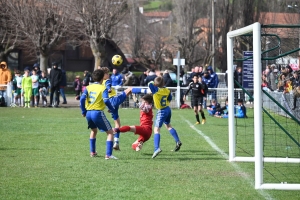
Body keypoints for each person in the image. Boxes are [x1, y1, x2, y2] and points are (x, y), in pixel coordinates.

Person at [80, 69, 118, 159]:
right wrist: (112, 109)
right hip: (97, 113)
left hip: (88, 113)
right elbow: (106, 100)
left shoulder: (88, 87)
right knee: (110, 132)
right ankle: (108, 155)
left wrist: (83, 111)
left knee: (93, 130)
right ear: (102, 79)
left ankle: (92, 152)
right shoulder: (103, 88)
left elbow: (81, 99)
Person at [148, 76, 182, 158]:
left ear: (156, 84)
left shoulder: (156, 90)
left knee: (156, 129)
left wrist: (154, 82)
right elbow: (170, 98)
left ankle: (157, 148)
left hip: (161, 110)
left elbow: (150, 84)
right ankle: (177, 141)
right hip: (167, 109)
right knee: (168, 125)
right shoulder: (167, 90)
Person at [101, 67, 132, 151]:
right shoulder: (107, 81)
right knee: (130, 89)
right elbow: (108, 85)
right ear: (104, 75)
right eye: (107, 74)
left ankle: (116, 143)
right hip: (114, 100)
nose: (109, 75)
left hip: (109, 103)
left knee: (117, 123)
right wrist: (109, 89)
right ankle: (143, 100)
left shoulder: (99, 84)